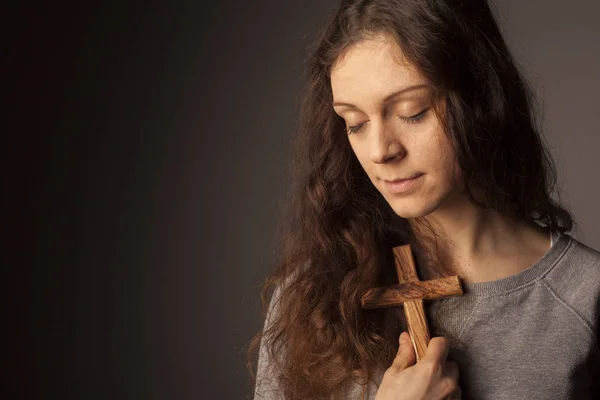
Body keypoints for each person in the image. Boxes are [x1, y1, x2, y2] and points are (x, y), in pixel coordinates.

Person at [247, 0, 600, 399]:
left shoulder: (587, 296)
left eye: (412, 113)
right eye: (355, 123)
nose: (381, 150)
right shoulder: (311, 296)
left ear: (480, 99)